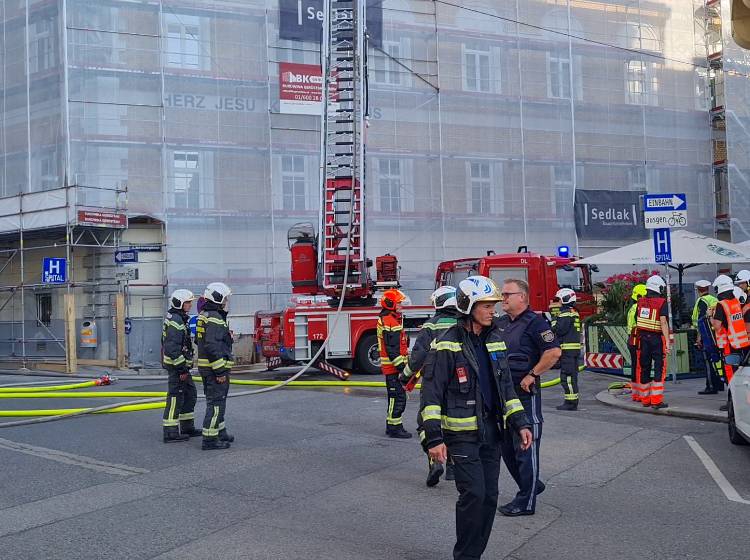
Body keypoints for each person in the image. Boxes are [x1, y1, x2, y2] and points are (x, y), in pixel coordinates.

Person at [419, 276, 532, 560]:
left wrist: (521, 423)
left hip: (492, 433)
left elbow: (506, 388)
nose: (492, 310)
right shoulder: (446, 345)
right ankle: (465, 557)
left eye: (493, 304)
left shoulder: (495, 340)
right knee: (474, 495)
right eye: (486, 305)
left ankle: (474, 555)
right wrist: (433, 438)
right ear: (468, 306)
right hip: (461, 436)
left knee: (490, 497)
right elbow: (430, 396)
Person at [496, 278, 561, 517]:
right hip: (503, 395)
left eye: (507, 294)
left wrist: (533, 374)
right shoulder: (500, 323)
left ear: (522, 297)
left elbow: (553, 352)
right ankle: (532, 484)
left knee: (525, 448)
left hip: (524, 394)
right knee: (506, 448)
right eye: (502, 295)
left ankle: (526, 502)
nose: (503, 299)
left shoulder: (536, 322)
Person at [399, 285, 460, 486]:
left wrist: (404, 375)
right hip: (460, 383)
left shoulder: (431, 326)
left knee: (425, 422)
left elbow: (417, 357)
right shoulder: (465, 323)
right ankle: (452, 466)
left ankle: (435, 461)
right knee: (453, 423)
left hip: (434, 381)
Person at [196, 282, 235, 451]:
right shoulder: (214, 318)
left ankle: (220, 431)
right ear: (218, 298)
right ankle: (210, 439)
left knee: (219, 401)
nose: (227, 301)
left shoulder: (207, 315)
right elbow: (212, 346)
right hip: (214, 369)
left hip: (208, 368)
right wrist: (219, 370)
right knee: (216, 402)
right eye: (225, 298)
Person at [161, 289, 202, 443]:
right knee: (175, 398)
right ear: (179, 303)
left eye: (190, 302)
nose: (190, 305)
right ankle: (170, 431)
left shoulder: (179, 318)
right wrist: (182, 369)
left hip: (181, 366)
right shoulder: (176, 321)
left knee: (189, 394)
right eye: (187, 302)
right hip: (177, 367)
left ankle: (187, 427)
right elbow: (172, 348)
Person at [377, 288, 411, 439]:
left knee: (397, 398)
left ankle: (394, 426)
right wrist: (403, 369)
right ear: (391, 304)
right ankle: (394, 428)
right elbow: (392, 350)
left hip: (393, 368)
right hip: (393, 369)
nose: (401, 306)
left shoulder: (392, 318)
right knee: (396, 398)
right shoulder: (389, 321)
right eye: (399, 303)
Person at [634, 275, 671, 409]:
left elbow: (636, 320)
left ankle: (645, 399)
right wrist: (667, 341)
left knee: (644, 367)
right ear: (658, 287)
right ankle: (656, 400)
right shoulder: (661, 302)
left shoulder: (640, 302)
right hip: (656, 339)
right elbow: (663, 322)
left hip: (643, 339)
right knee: (659, 369)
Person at [711, 275, 750, 387]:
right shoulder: (736, 302)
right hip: (740, 343)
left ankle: (732, 401)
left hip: (728, 343)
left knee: (730, 371)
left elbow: (717, 325)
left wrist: (710, 316)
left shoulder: (721, 304)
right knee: (740, 371)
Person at [551, 288, 581, 411]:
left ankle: (571, 402)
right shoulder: (574, 312)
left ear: (564, 299)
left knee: (567, 377)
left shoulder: (565, 314)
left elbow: (558, 330)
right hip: (573, 350)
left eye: (558, 299)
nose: (557, 302)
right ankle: (572, 400)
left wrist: (553, 320)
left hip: (567, 351)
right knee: (572, 376)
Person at [693, 280, 721, 395]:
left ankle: (710, 386)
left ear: (698, 289)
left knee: (708, 362)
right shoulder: (714, 300)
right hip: (716, 333)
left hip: (706, 335)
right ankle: (719, 384)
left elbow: (701, 322)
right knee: (716, 360)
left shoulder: (702, 301)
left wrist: (699, 338)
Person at [627, 284, 647, 402]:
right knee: (640, 366)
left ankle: (636, 394)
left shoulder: (633, 307)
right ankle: (640, 394)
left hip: (632, 338)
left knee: (635, 366)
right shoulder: (639, 307)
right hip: (638, 339)